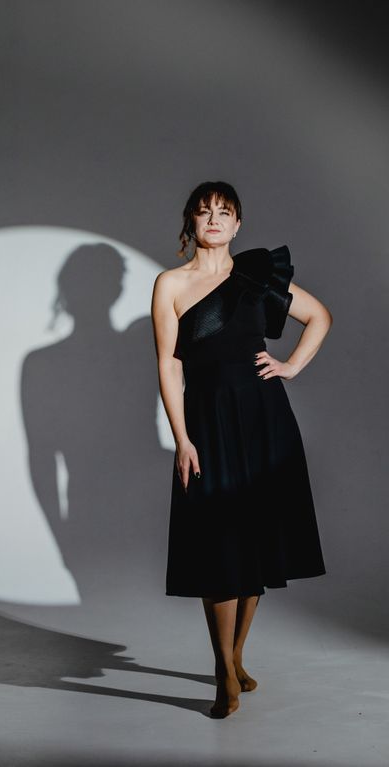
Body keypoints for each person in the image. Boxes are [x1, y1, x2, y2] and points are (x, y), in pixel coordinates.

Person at [150, 180, 332, 719]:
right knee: (217, 548)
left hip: (264, 421)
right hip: (206, 423)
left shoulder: (256, 274)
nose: (214, 219)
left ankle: (234, 657)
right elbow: (169, 364)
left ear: (237, 224)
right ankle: (223, 671)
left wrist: (290, 366)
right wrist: (182, 437)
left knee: (256, 542)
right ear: (192, 221)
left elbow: (319, 317)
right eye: (204, 211)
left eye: (224, 212)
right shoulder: (170, 284)